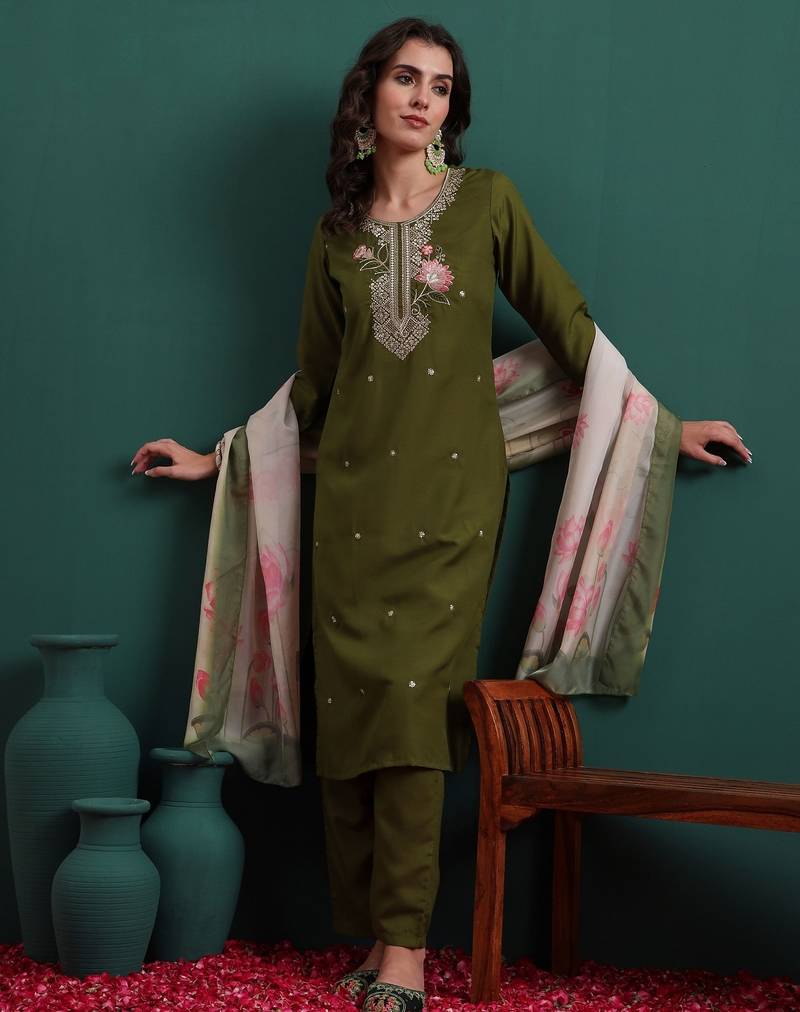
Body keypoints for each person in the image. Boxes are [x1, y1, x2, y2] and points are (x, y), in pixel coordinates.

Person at [130, 17, 751, 1012]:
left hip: (452, 506)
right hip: (349, 509)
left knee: (418, 711)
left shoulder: (485, 202)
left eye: (442, 86)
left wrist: (665, 426)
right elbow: (314, 389)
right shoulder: (333, 239)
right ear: (367, 96)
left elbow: (567, 324)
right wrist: (219, 458)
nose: (424, 98)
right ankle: (372, 935)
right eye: (407, 79)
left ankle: (408, 948)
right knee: (350, 715)